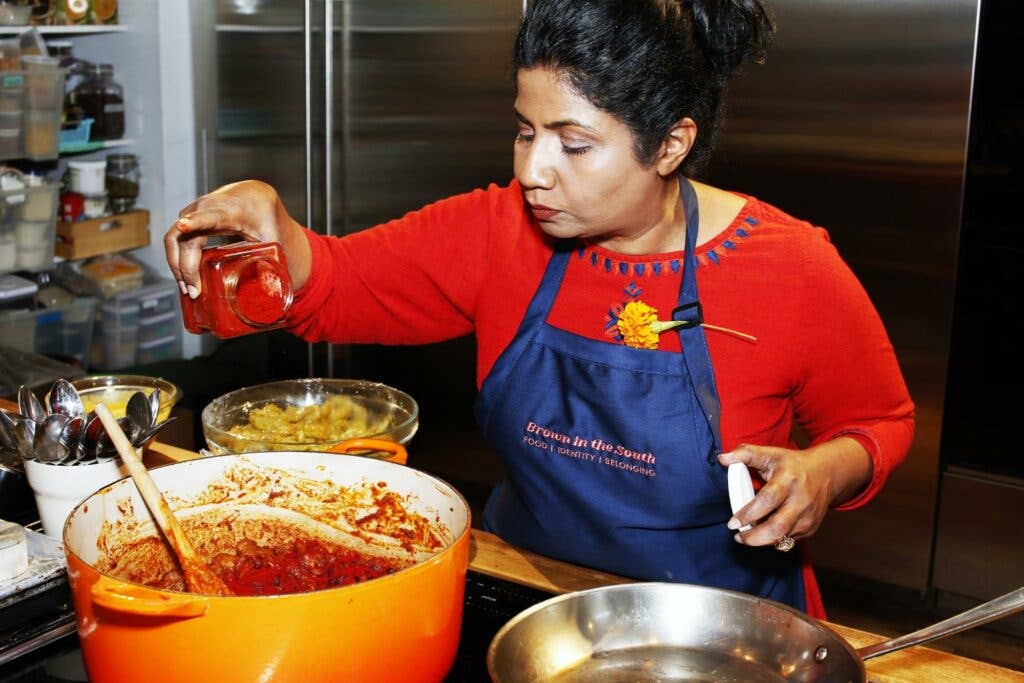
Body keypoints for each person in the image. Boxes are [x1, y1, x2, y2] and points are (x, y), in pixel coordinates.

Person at [164, 0, 914, 618]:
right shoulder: (500, 235)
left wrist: (822, 472)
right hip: (531, 606)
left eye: (573, 143)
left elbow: (879, 423)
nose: (531, 170)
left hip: (719, 629)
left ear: (671, 144)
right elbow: (331, 284)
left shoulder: (791, 266)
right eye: (526, 130)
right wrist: (275, 234)